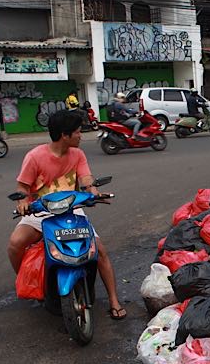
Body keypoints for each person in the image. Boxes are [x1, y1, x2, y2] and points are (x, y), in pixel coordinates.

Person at [7, 109, 126, 319]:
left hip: (72, 209)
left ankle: (114, 300)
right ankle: (29, 282)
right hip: (40, 212)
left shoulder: (78, 155)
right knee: (15, 243)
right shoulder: (34, 157)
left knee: (99, 251)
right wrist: (23, 203)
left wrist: (93, 192)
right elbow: (22, 188)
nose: (81, 135)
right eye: (78, 132)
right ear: (65, 135)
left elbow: (86, 178)